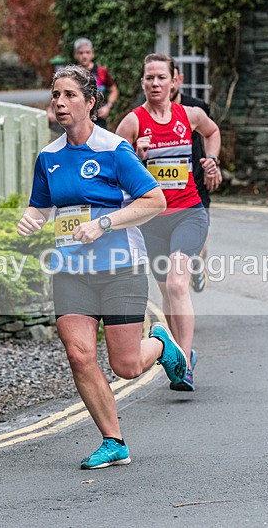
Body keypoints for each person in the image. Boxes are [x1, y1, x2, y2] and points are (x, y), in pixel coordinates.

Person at [18, 64, 187, 470]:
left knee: (126, 367)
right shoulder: (49, 157)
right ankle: (114, 441)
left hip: (120, 268)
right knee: (79, 355)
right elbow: (41, 205)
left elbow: (155, 201)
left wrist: (104, 223)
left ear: (91, 102)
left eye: (70, 95)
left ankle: (161, 344)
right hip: (71, 270)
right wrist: (31, 219)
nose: (60, 102)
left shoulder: (114, 150)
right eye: (55, 95)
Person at [116, 53, 222, 392]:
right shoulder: (132, 122)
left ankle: (185, 363)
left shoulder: (189, 115)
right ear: (142, 82)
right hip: (151, 220)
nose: (155, 83)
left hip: (189, 213)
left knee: (178, 285)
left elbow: (212, 131)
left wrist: (211, 160)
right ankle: (179, 354)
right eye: (149, 77)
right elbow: (114, 170)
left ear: (174, 81)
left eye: (161, 77)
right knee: (166, 291)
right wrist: (136, 156)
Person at [170, 66, 222, 292]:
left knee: (200, 231)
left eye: (168, 78)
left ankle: (196, 264)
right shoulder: (144, 112)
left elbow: (212, 134)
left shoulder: (196, 107)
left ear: (178, 80)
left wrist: (213, 165)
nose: (163, 84)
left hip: (196, 178)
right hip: (165, 189)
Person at [48, 38, 119, 130]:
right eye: (80, 53)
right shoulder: (70, 74)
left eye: (87, 52)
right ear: (75, 55)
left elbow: (114, 90)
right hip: (75, 118)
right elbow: (58, 92)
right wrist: (50, 110)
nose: (84, 56)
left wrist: (108, 106)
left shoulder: (101, 72)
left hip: (98, 118)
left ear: (92, 54)